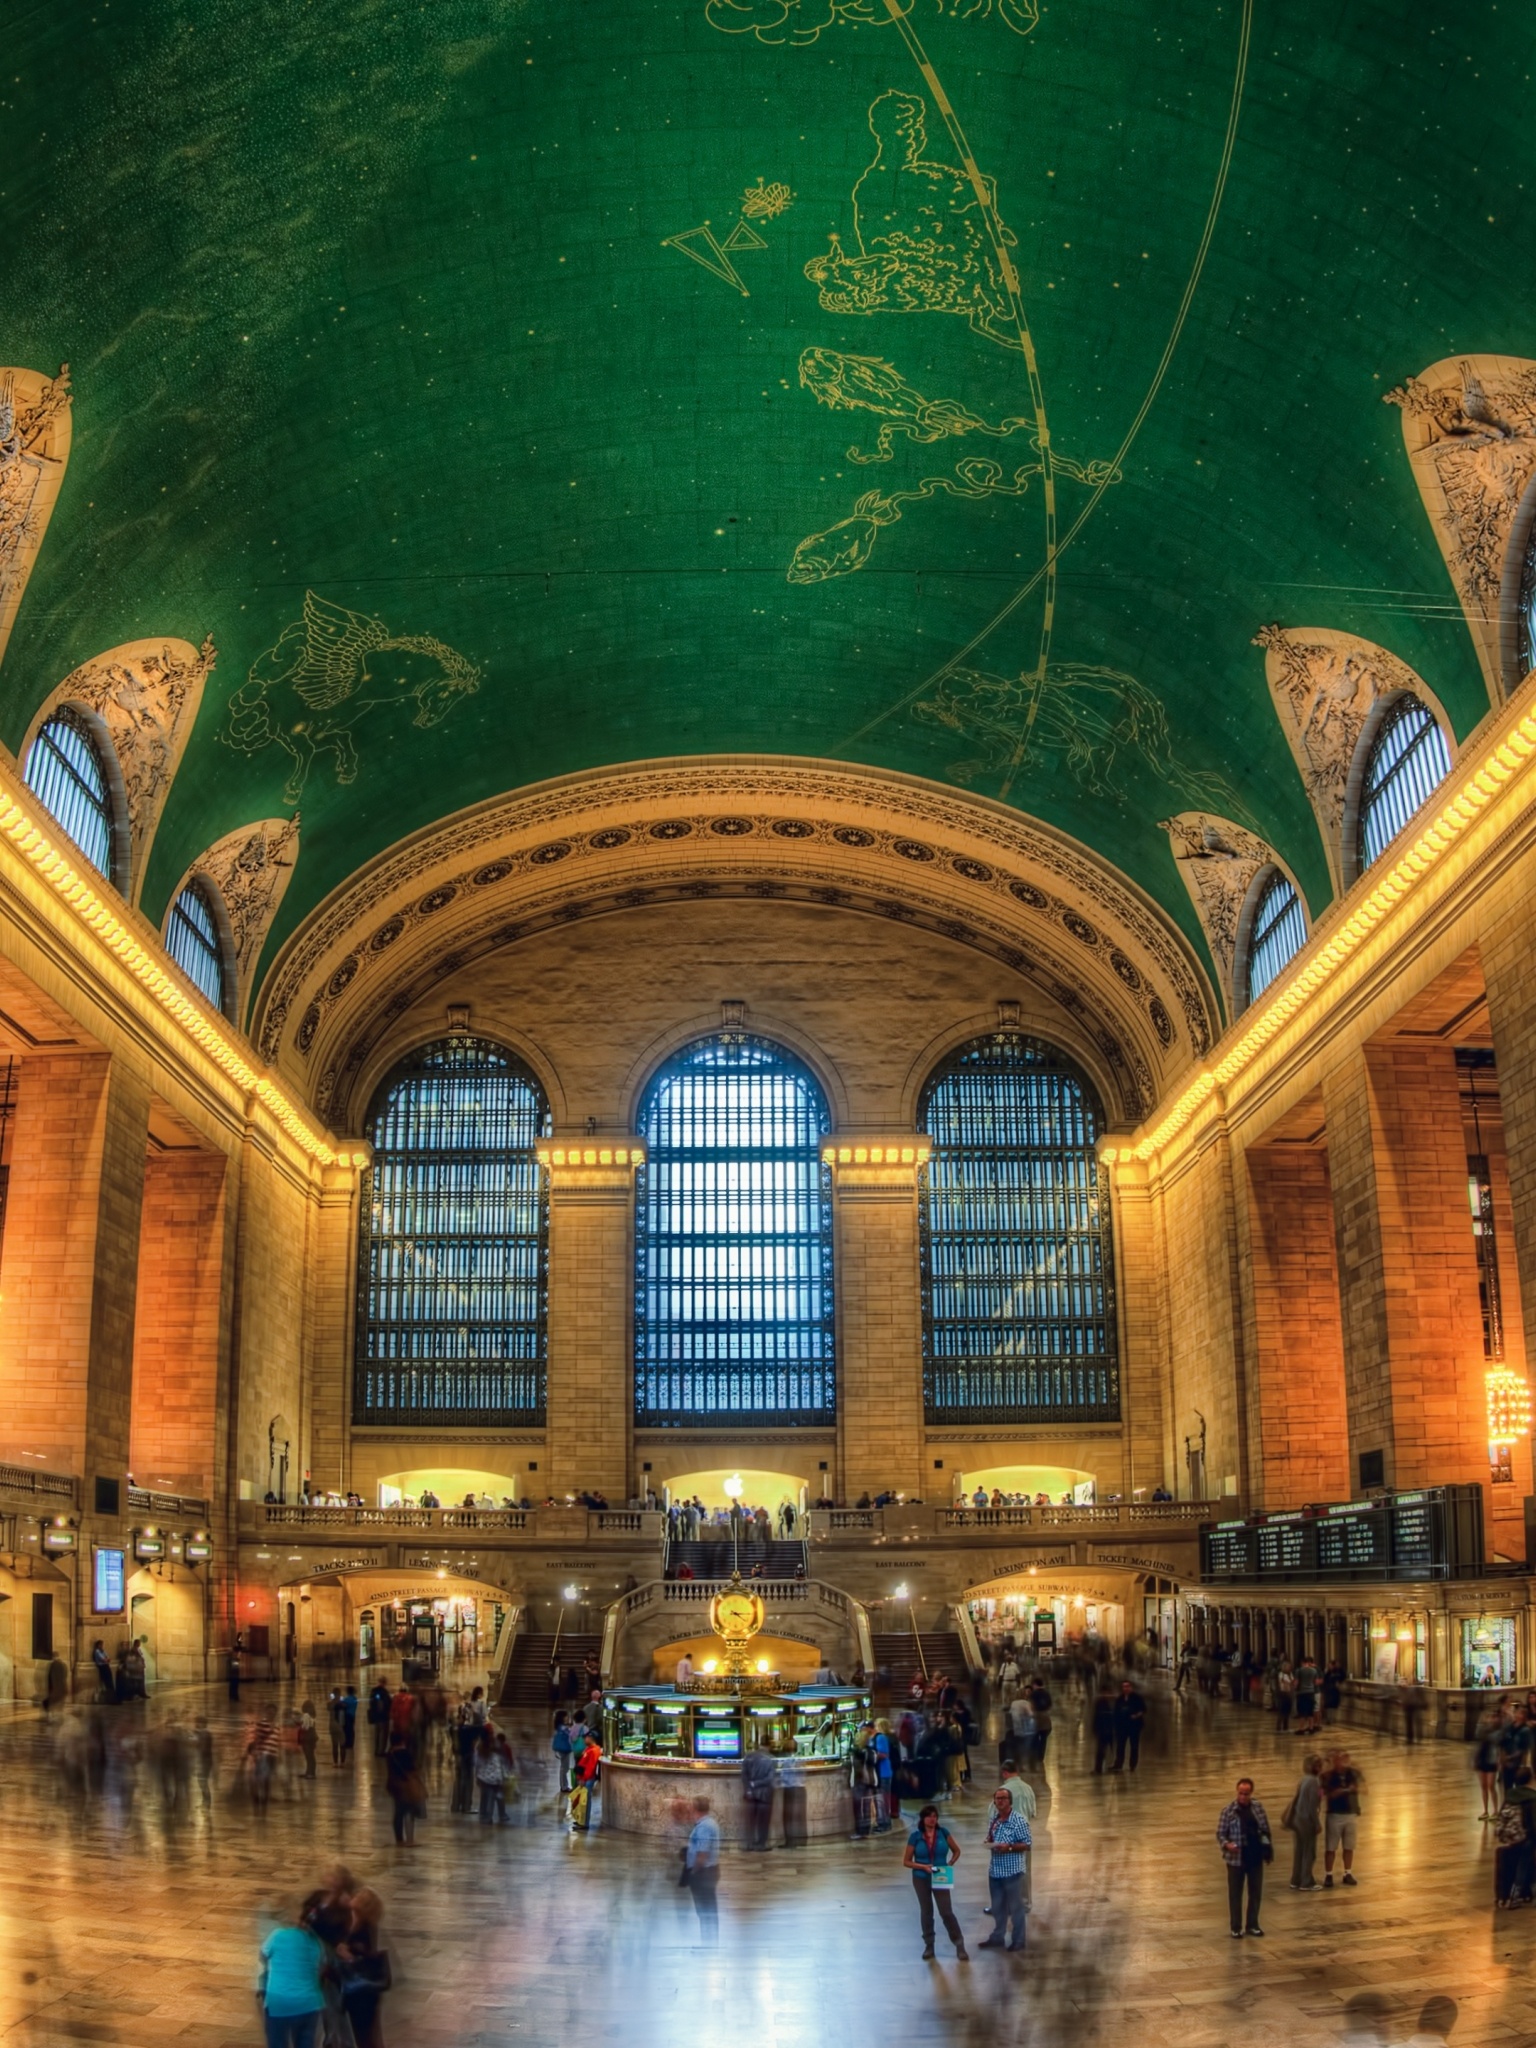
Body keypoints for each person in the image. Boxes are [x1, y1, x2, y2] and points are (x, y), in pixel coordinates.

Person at [904, 1802, 969, 1961]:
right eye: (929, 1816)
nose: (932, 1819)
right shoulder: (915, 1836)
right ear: (923, 1819)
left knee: (946, 1911)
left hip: (941, 1874)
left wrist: (950, 1864)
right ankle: (929, 1945)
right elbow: (906, 1861)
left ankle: (959, 1944)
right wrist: (922, 1866)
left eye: (934, 1816)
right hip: (921, 1877)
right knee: (926, 1912)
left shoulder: (943, 1833)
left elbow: (957, 1850)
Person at [256, 1910, 328, 2048]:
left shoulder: (278, 1935)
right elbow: (320, 1972)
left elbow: (263, 1956)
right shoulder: (318, 1944)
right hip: (309, 2004)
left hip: (279, 2003)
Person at [1216, 1777, 1271, 1937]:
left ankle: (1252, 1924)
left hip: (1254, 1856)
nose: (1243, 1797)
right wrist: (1227, 1844)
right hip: (1236, 1859)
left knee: (1255, 1892)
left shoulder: (1258, 1808)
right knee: (1235, 1894)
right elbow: (1220, 1833)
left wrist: (1267, 1848)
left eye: (1246, 1794)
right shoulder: (1228, 1811)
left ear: (1251, 1793)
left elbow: (1265, 1829)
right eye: (1240, 1793)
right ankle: (1235, 1927)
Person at [977, 1786, 1029, 1952]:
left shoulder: (1018, 1821)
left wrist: (1010, 1848)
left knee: (1016, 1908)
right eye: (997, 1798)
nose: (1000, 1801)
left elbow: (1027, 1844)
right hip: (996, 1871)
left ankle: (1019, 1940)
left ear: (1010, 1801)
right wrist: (988, 1842)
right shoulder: (994, 1819)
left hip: (1012, 1872)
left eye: (1003, 1798)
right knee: (998, 1907)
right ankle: (997, 1937)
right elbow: (991, 1837)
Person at [337, 1888, 390, 2048]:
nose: (354, 1897)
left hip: (362, 1992)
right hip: (364, 1991)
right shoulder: (359, 1924)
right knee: (370, 2036)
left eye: (359, 1897)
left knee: (365, 2037)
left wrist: (347, 1954)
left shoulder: (363, 1928)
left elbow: (360, 1955)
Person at [1321, 1749, 1364, 1887]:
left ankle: (1348, 1873)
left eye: (1344, 1758)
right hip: (1334, 1814)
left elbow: (1363, 1787)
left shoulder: (1352, 1773)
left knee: (1349, 1846)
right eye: (1338, 1759)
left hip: (1350, 1813)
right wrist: (1329, 1794)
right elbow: (1321, 1792)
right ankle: (1329, 1875)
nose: (1342, 1762)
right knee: (1331, 1847)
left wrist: (1349, 1790)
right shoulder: (1328, 1775)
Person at [684, 1797, 721, 1944]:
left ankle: (708, 1944)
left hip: (703, 1873)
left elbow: (702, 1854)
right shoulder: (709, 1823)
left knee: (705, 1910)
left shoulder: (704, 1827)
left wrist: (693, 1872)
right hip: (709, 1872)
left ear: (695, 1809)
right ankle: (709, 1942)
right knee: (708, 1909)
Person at [1285, 1753, 1323, 1890]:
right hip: (1307, 1821)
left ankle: (1295, 1880)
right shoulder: (1314, 1782)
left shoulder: (1304, 1779)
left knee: (1299, 1851)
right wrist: (1317, 1823)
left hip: (1297, 1820)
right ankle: (1306, 1882)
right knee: (1309, 1852)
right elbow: (1313, 1806)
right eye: (1318, 1765)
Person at [385, 1731, 423, 1845]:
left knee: (398, 1812)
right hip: (405, 1785)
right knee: (408, 1811)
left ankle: (399, 1838)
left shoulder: (390, 1753)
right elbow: (412, 1769)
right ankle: (409, 1839)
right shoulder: (404, 1753)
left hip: (393, 1784)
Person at [742, 1742, 776, 1850]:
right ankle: (761, 1844)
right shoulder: (771, 1759)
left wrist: (749, 1788)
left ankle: (749, 1844)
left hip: (751, 1794)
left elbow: (744, 1775)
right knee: (763, 1821)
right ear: (768, 1746)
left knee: (750, 1821)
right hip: (765, 1795)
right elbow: (770, 1779)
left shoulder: (748, 1757)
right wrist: (756, 1783)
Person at [1475, 1700, 1504, 1820]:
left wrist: (1499, 1761)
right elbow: (1478, 1735)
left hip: (1491, 1760)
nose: (1491, 1719)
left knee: (1491, 1786)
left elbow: (1496, 1743)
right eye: (1490, 1717)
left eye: (1494, 1717)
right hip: (1482, 1758)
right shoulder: (1483, 1729)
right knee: (1483, 1786)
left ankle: (1496, 1810)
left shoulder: (1498, 1732)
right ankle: (1485, 1810)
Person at [1112, 1680, 1146, 1772]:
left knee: (1134, 1746)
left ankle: (1133, 1765)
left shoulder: (1137, 1698)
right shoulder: (1120, 1699)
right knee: (1120, 1746)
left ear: (1131, 1687)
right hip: (1122, 1726)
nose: (1126, 1688)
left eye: (1127, 1686)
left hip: (1134, 1726)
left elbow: (1143, 1709)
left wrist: (1136, 1716)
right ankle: (1118, 1764)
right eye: (1124, 1687)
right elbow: (1116, 1712)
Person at [367, 1677, 392, 1757]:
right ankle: (381, 1751)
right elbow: (386, 1703)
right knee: (383, 1734)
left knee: (377, 1734)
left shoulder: (373, 1691)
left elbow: (371, 1702)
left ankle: (377, 1750)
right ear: (384, 1683)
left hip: (376, 1716)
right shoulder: (383, 1692)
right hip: (383, 1716)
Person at [296, 1700, 318, 1779]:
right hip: (312, 1737)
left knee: (308, 1756)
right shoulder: (312, 1716)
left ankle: (310, 1773)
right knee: (311, 1756)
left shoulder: (305, 1715)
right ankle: (310, 1772)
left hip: (307, 1738)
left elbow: (305, 1727)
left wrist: (298, 1723)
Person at [91, 1638, 114, 1705]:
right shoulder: (97, 1651)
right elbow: (103, 1659)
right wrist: (106, 1659)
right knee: (107, 1682)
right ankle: (109, 1698)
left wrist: (107, 1659)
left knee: (110, 1682)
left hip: (106, 1666)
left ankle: (111, 1697)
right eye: (101, 1644)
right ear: (98, 1645)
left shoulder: (102, 1650)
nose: (102, 1646)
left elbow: (108, 1657)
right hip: (102, 1667)